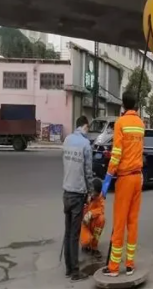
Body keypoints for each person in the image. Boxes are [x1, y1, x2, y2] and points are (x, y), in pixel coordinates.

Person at [101, 91, 145, 277]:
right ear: (135, 105)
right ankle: (129, 265)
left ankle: (113, 268)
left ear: (123, 105)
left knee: (119, 222)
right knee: (132, 222)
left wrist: (108, 176)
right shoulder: (141, 125)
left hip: (125, 178)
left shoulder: (120, 123)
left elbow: (117, 152)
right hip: (138, 178)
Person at [62, 115, 93, 282]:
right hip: (77, 194)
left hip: (66, 191)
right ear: (85, 127)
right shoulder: (85, 145)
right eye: (88, 128)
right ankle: (75, 272)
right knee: (74, 234)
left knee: (68, 233)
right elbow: (88, 173)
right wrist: (91, 192)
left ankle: (68, 268)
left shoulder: (67, 140)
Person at [80, 178, 105, 260]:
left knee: (101, 219)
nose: (95, 196)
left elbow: (101, 209)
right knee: (86, 241)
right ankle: (85, 245)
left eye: (97, 194)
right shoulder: (85, 194)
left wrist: (91, 214)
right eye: (94, 193)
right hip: (84, 222)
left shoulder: (100, 196)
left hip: (92, 220)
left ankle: (94, 247)